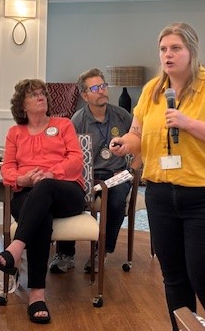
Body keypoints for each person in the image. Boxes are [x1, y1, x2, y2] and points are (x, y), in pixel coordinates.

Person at [110, 22, 205, 331]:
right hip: (162, 194)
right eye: (163, 49)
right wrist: (124, 144)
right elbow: (137, 134)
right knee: (174, 277)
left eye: (175, 48)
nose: (168, 55)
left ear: (191, 52)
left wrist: (188, 123)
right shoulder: (152, 90)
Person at [0, 79, 85, 324]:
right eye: (33, 95)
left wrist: (51, 174)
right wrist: (22, 179)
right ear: (22, 105)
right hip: (28, 193)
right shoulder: (15, 133)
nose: (41, 97)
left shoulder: (63, 125)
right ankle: (37, 296)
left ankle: (15, 248)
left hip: (66, 190)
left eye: (42, 93)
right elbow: (7, 168)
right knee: (41, 215)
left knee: (45, 188)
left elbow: (76, 160)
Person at [50, 68, 141, 274]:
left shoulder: (122, 115)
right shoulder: (77, 120)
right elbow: (66, 154)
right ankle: (65, 254)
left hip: (116, 175)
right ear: (85, 95)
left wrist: (131, 171)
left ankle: (102, 251)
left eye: (103, 86)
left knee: (116, 200)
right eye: (95, 88)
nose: (101, 91)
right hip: (86, 175)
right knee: (68, 197)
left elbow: (141, 143)